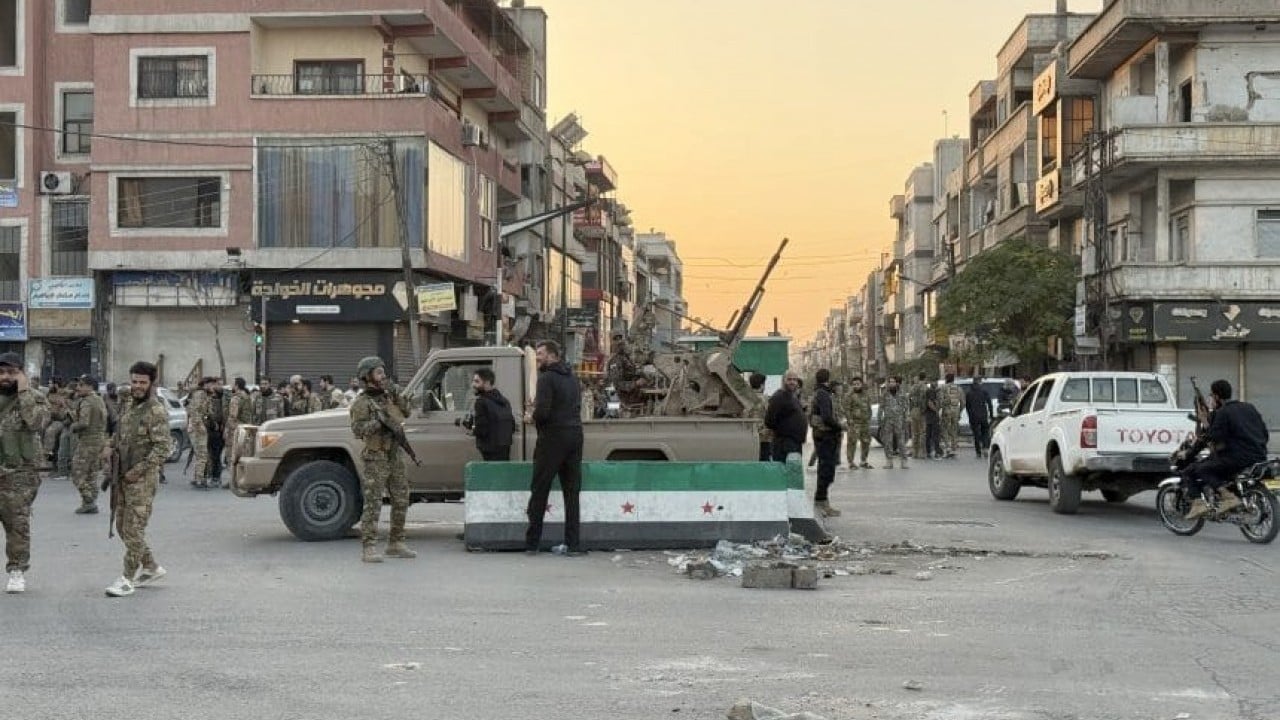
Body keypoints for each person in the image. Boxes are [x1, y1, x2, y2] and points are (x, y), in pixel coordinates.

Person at [103, 361, 172, 598]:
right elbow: (119, 433)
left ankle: (126, 578)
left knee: (133, 529)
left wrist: (139, 470)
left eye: (143, 382)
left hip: (141, 480)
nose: (137, 386)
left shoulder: (156, 411)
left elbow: (163, 448)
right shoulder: (128, 404)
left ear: (152, 383)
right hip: (122, 475)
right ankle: (151, 566)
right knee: (122, 527)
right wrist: (109, 447)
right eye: (134, 381)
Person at [349, 356, 416, 563]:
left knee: (401, 497)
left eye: (382, 371)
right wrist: (378, 422)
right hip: (376, 455)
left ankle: (396, 542)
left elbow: (406, 412)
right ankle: (369, 547)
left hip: (394, 453)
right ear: (367, 376)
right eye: (378, 372)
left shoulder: (389, 396)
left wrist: (397, 395)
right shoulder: (362, 403)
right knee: (374, 501)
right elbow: (358, 430)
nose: (383, 375)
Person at [524, 340, 585, 556]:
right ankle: (573, 544)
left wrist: (530, 417)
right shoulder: (572, 378)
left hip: (552, 439)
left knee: (540, 490)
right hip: (575, 436)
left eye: (540, 354)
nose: (537, 358)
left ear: (552, 356)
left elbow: (543, 413)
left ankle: (532, 543)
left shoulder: (546, 378)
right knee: (572, 492)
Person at [1180, 379, 1269, 520]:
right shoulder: (1249, 407)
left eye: (1211, 396)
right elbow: (1265, 434)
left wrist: (1190, 453)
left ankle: (1225, 498)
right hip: (1259, 456)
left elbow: (1210, 438)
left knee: (1195, 469)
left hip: (1236, 459)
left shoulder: (1223, 412)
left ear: (1216, 396)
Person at [0, 354, 49, 594]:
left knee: (16, 524)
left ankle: (17, 571)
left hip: (19, 474)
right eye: (2, 373)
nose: (6, 377)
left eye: (12, 372)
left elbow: (37, 423)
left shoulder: (35, 399)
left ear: (21, 374)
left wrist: (24, 393)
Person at [68, 375, 108, 514]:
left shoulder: (86, 402)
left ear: (90, 386)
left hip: (87, 442)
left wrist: (73, 426)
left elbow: (84, 423)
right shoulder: (99, 400)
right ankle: (89, 503)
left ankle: (89, 500)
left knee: (77, 473)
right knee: (91, 474)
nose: (78, 388)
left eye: (81, 385)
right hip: (99, 441)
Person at [809, 369, 844, 518]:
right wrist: (840, 426)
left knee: (826, 469)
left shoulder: (820, 392)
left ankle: (822, 501)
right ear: (828, 379)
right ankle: (821, 502)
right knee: (826, 470)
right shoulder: (823, 394)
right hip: (826, 435)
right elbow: (827, 417)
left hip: (822, 435)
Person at [470, 368, 515, 461]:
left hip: (489, 449)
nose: (473, 385)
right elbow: (512, 426)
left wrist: (472, 429)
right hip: (504, 446)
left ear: (487, 383)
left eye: (477, 381)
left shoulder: (481, 402)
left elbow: (481, 429)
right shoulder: (504, 401)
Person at [765, 370, 807, 463]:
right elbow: (769, 421)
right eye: (789, 379)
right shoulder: (779, 396)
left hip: (794, 442)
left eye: (794, 380)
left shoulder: (792, 396)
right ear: (783, 380)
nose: (792, 382)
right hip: (784, 444)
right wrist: (784, 429)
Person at [604, 330, 647, 409]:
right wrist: (636, 383)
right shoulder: (615, 360)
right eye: (615, 339)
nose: (619, 341)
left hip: (631, 398)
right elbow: (616, 384)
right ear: (611, 343)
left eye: (620, 338)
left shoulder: (625, 357)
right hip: (622, 402)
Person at [225, 377, 254, 480]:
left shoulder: (236, 398)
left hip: (236, 429)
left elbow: (233, 415)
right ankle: (243, 478)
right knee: (244, 454)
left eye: (233, 384)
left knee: (232, 455)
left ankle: (233, 479)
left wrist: (227, 430)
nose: (231, 386)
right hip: (246, 428)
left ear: (236, 386)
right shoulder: (247, 396)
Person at [878, 376, 910, 470]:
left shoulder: (902, 394)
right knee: (888, 441)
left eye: (893, 382)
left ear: (896, 383)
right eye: (890, 382)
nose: (891, 383)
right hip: (888, 420)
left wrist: (906, 419)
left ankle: (904, 461)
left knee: (901, 441)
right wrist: (880, 419)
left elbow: (906, 407)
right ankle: (889, 461)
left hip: (899, 420)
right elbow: (881, 407)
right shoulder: (885, 394)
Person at [843, 376, 874, 470]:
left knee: (866, 441)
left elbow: (869, 407)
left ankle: (863, 461)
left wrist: (869, 417)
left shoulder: (866, 395)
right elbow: (847, 409)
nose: (856, 386)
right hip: (854, 423)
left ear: (861, 384)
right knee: (852, 442)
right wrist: (850, 420)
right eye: (854, 384)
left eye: (858, 384)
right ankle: (851, 462)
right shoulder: (849, 396)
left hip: (865, 422)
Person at [187, 377, 211, 489]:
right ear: (205, 384)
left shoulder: (203, 394)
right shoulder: (200, 394)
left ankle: (197, 477)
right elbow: (194, 410)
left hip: (198, 426)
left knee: (199, 454)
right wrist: (200, 425)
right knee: (202, 454)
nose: (212, 387)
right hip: (198, 429)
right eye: (210, 384)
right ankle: (199, 480)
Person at [205, 377, 228, 487]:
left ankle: (216, 477)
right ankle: (209, 475)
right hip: (209, 428)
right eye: (218, 384)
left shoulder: (226, 397)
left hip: (220, 430)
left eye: (221, 384)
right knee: (210, 454)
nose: (220, 386)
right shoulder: (208, 397)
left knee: (216, 455)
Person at [966, 378, 993, 459]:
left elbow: (967, 406)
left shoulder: (969, 393)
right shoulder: (984, 391)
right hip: (983, 416)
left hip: (974, 417)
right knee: (985, 432)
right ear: (979, 383)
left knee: (976, 434)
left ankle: (978, 452)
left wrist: (970, 416)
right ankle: (985, 448)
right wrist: (991, 415)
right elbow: (989, 403)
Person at [748, 372, 772, 462]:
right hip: (763, 437)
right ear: (762, 385)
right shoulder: (765, 400)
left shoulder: (745, 398)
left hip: (748, 435)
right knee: (764, 462)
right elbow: (771, 417)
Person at [940, 374, 964, 459]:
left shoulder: (943, 388)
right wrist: (959, 411)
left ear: (946, 379)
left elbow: (941, 400)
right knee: (954, 430)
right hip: (956, 411)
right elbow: (963, 402)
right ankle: (954, 449)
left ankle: (948, 448)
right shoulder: (959, 388)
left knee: (945, 429)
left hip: (947, 410)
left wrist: (941, 409)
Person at [909, 372, 928, 460]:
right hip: (922, 411)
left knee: (914, 433)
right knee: (922, 432)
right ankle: (922, 453)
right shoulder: (925, 387)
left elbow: (909, 397)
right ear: (925, 378)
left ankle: (914, 453)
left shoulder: (913, 387)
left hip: (913, 410)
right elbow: (926, 400)